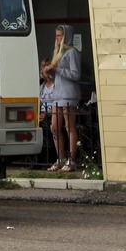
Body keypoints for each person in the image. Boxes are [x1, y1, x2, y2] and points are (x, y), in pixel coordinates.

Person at [43, 25, 81, 171]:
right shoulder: (58, 53)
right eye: (57, 36)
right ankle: (60, 158)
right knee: (54, 127)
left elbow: (75, 74)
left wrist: (57, 69)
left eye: (60, 36)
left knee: (69, 126)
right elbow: (59, 75)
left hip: (69, 94)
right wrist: (49, 74)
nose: (58, 38)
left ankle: (72, 160)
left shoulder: (72, 53)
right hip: (57, 94)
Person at [38, 58, 57, 165]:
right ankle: (40, 159)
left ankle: (49, 158)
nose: (45, 70)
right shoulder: (41, 87)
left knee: (46, 128)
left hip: (53, 114)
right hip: (42, 114)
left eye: (47, 66)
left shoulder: (56, 85)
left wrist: (47, 113)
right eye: (43, 67)